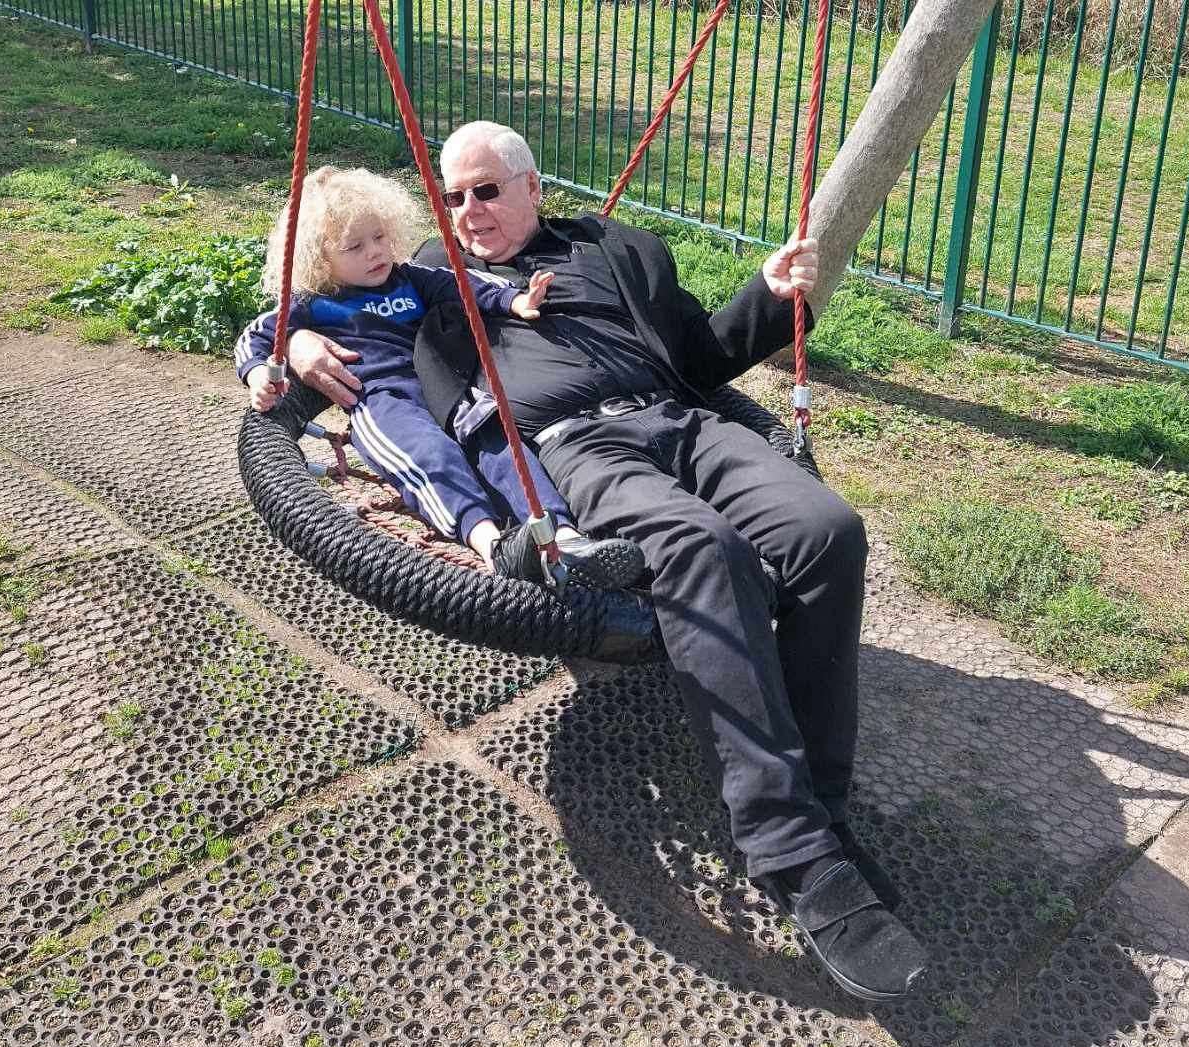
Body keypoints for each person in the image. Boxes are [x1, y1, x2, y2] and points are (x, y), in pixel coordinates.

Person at [286, 127, 927, 1002]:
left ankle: (820, 796)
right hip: (576, 449)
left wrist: (773, 299)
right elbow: (329, 303)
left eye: (487, 191)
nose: (469, 213)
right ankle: (794, 854)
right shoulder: (431, 278)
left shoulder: (615, 247)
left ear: (532, 185)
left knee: (827, 531)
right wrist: (291, 349)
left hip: (686, 423)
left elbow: (700, 359)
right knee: (702, 550)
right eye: (454, 196)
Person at [235, 165, 643, 591]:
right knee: (432, 458)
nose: (375, 252)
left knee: (504, 448)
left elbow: (466, 285)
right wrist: (260, 373)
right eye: (354, 246)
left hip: (445, 388)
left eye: (379, 237)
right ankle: (493, 545)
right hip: (383, 402)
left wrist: (514, 300)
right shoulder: (313, 305)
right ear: (321, 259)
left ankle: (562, 538)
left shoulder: (410, 279)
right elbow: (256, 337)